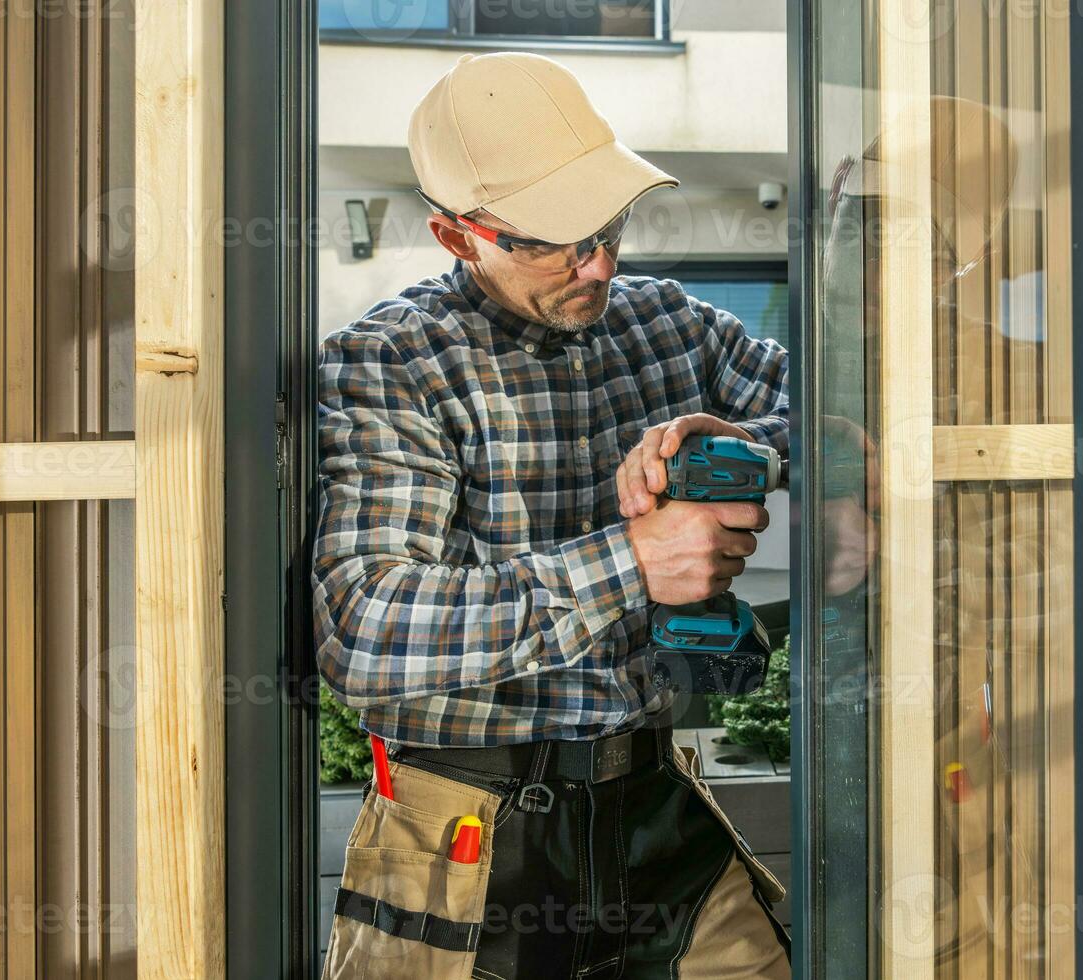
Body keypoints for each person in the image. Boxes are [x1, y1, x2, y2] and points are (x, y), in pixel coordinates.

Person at [313, 51, 790, 979]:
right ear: (459, 238)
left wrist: (745, 443)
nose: (600, 261)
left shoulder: (672, 323)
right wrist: (631, 564)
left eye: (610, 224)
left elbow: (847, 407)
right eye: (555, 239)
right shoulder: (393, 362)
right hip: (460, 833)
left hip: (654, 803)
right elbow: (364, 627)